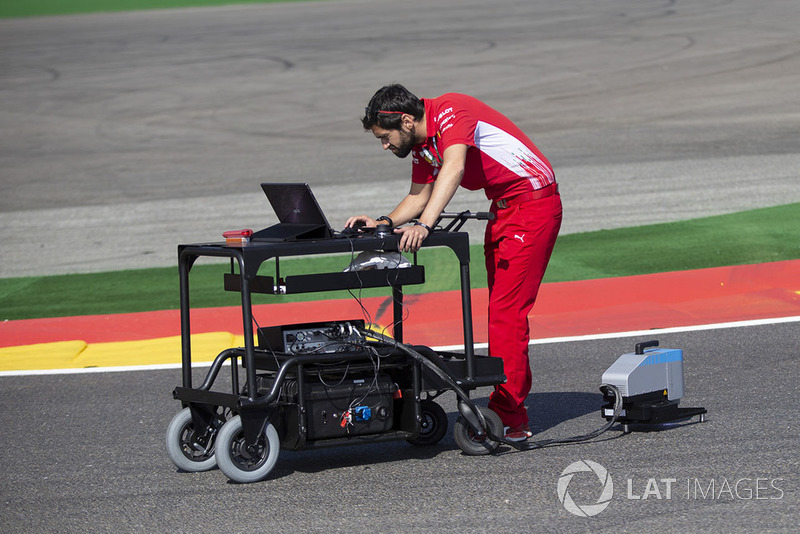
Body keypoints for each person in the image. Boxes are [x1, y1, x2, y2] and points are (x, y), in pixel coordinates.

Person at [346, 84, 562, 441]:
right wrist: (384, 223)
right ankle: (504, 405)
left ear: (405, 120)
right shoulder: (422, 143)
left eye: (385, 137)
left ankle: (512, 419)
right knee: (500, 312)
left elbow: (454, 168)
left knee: (506, 314)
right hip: (505, 211)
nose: (385, 145)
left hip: (533, 207)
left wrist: (425, 224)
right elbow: (419, 195)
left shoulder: (451, 111)